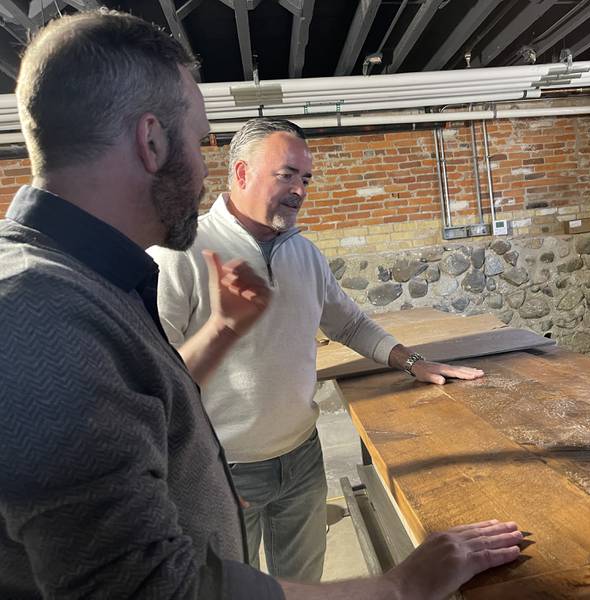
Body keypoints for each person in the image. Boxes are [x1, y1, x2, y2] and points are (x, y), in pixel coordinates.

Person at [0, 9, 522, 599]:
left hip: (292, 455)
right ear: (151, 141)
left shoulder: (87, 281)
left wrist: (223, 343)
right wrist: (399, 587)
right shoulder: (37, 310)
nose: (202, 168)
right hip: (239, 467)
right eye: (199, 142)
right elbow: (152, 588)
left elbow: (153, 403)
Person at [151, 118, 487, 581]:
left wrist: (413, 361)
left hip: (302, 456)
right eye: (286, 174)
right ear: (242, 173)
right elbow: (153, 375)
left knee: (304, 581)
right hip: (222, 468)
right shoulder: (182, 252)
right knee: (229, 589)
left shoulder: (303, 253)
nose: (299, 190)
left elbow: (347, 321)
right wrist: (190, 472)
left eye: (305, 178)